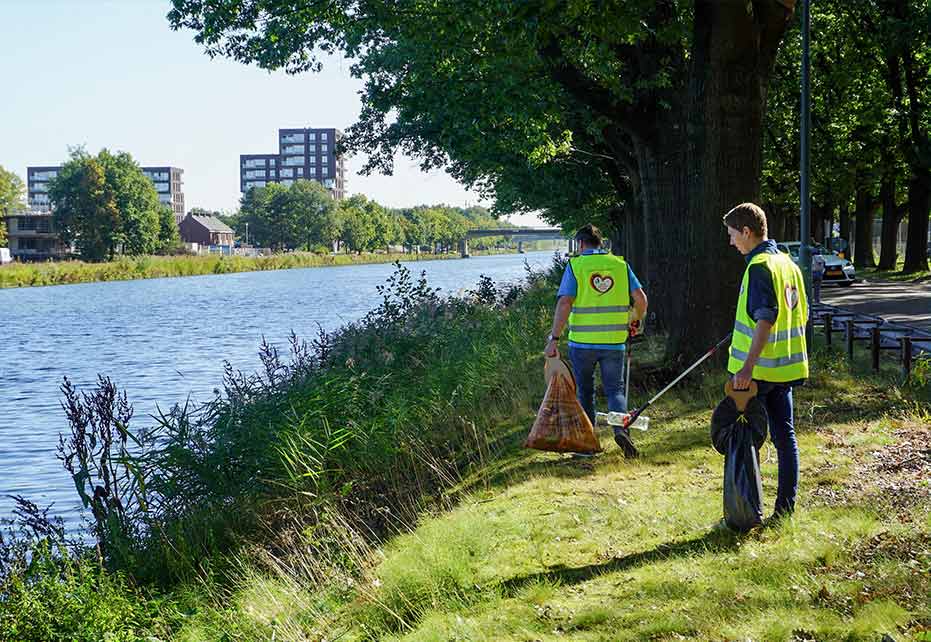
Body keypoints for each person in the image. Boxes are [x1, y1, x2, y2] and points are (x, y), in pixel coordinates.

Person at [724, 203, 809, 521]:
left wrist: (746, 368)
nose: (732, 242)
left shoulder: (759, 266)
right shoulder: (787, 263)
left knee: (746, 439)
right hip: (785, 369)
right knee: (785, 438)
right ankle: (784, 510)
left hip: (756, 374)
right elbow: (801, 314)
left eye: (733, 235)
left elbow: (765, 319)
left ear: (747, 232)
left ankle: (746, 513)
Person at [544, 224, 648, 458]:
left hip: (582, 343)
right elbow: (641, 299)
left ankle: (588, 445)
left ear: (580, 244)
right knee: (615, 390)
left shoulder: (576, 265)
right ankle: (620, 430)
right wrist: (634, 320)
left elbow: (564, 303)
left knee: (585, 391)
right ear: (600, 243)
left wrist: (554, 338)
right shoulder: (620, 266)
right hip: (613, 341)